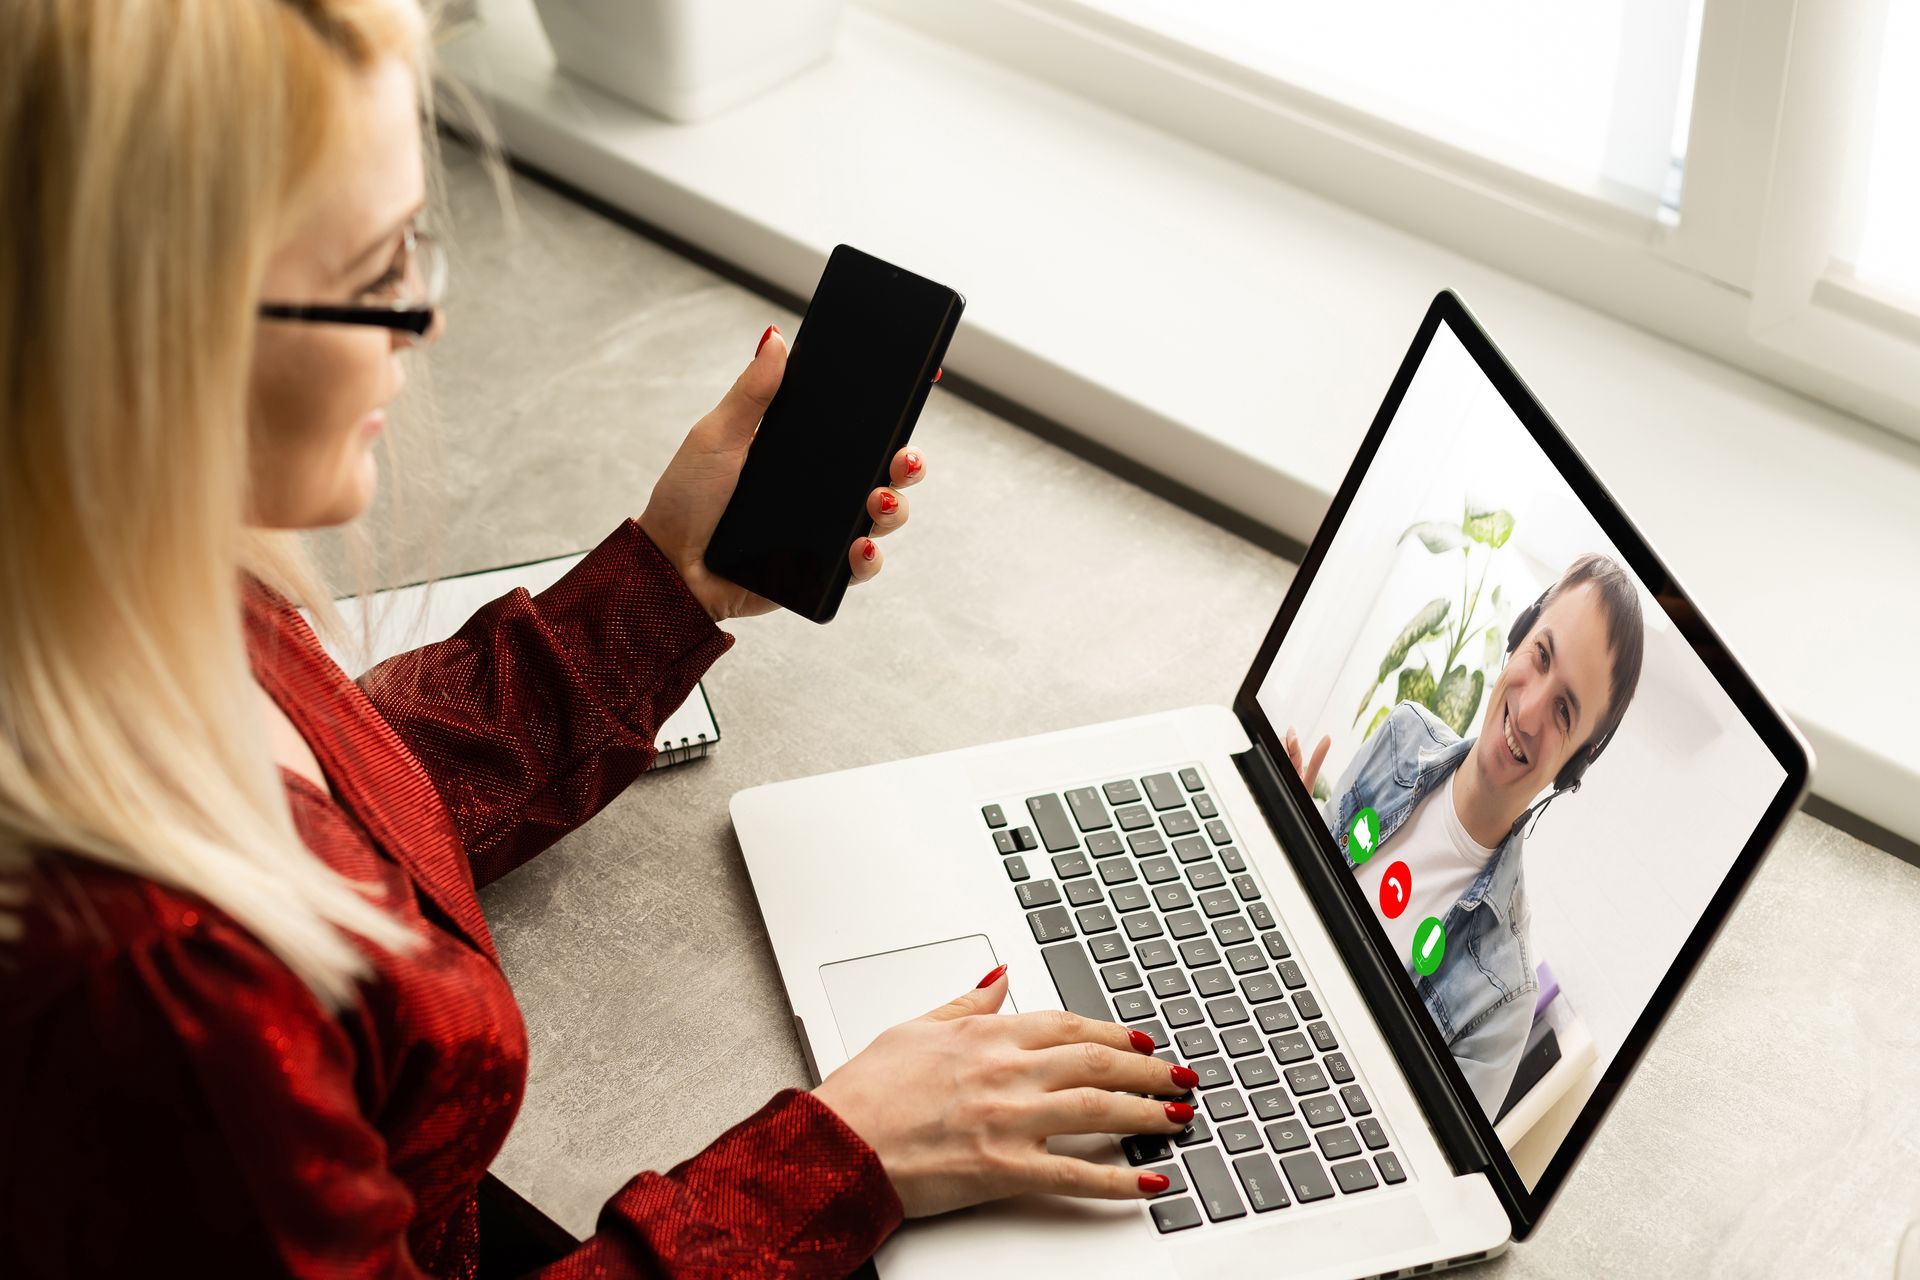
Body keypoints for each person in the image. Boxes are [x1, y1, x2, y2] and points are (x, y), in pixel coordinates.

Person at [0, 3, 1197, 1275]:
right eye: (372, 272)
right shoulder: (166, 996)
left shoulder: (103, 592)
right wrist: (843, 1155)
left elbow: (342, 817)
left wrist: (666, 586)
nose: (426, 316)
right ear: (147, 345)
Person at [1283, 553, 1644, 1115]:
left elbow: (1416, 1167)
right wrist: (1284, 841)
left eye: (1565, 712)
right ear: (1520, 637)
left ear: (1576, 765)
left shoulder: (1503, 997)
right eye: (1541, 655)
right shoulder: (1400, 738)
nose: (1527, 712)